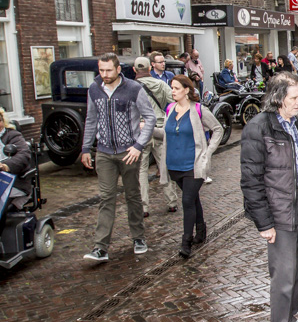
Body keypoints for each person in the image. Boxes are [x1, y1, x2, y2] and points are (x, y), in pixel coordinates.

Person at [240, 72, 298, 322]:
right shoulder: (258, 128)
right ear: (277, 98)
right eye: (295, 98)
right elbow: (251, 180)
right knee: (284, 274)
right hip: (278, 209)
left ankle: (290, 318)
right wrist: (264, 222)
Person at [81, 53, 156, 262]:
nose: (104, 74)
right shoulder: (94, 89)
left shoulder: (134, 89)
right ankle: (100, 247)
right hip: (104, 152)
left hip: (128, 152)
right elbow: (91, 119)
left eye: (108, 70)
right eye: (101, 70)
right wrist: (86, 148)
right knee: (106, 198)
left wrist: (138, 146)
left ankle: (138, 237)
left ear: (118, 70)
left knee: (132, 195)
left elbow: (149, 118)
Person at [155, 75, 223, 257]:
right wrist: (148, 130)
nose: (173, 91)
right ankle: (201, 230)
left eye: (176, 88)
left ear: (186, 90)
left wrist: (208, 153)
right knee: (192, 199)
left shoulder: (199, 110)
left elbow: (218, 129)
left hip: (194, 166)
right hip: (173, 165)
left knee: (186, 201)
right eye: (172, 88)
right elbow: (166, 133)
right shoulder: (170, 109)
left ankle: (186, 242)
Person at [135, 57, 178, 218]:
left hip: (140, 131)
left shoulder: (132, 87)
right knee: (164, 166)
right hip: (159, 129)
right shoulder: (160, 85)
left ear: (134, 70)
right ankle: (171, 202)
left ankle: (144, 206)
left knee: (141, 170)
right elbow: (173, 102)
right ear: (149, 68)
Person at [0, 108, 33, 210]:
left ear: (3, 121)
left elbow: (23, 155)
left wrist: (5, 166)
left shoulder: (13, 135)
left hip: (13, 181)